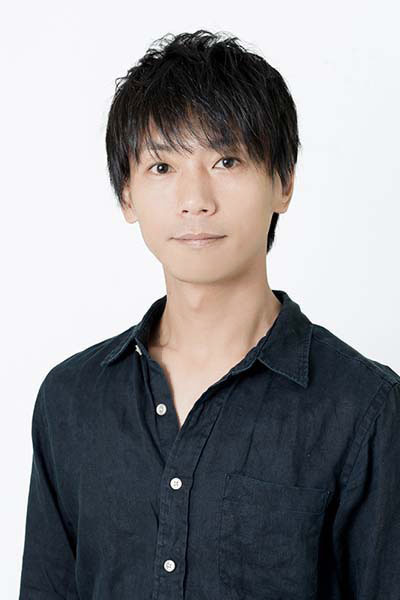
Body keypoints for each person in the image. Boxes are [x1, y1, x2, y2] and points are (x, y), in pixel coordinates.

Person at [19, 29, 400, 599]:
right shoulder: (70, 401)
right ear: (126, 194)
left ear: (284, 183)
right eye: (162, 167)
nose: (195, 200)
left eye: (226, 160)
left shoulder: (363, 407)